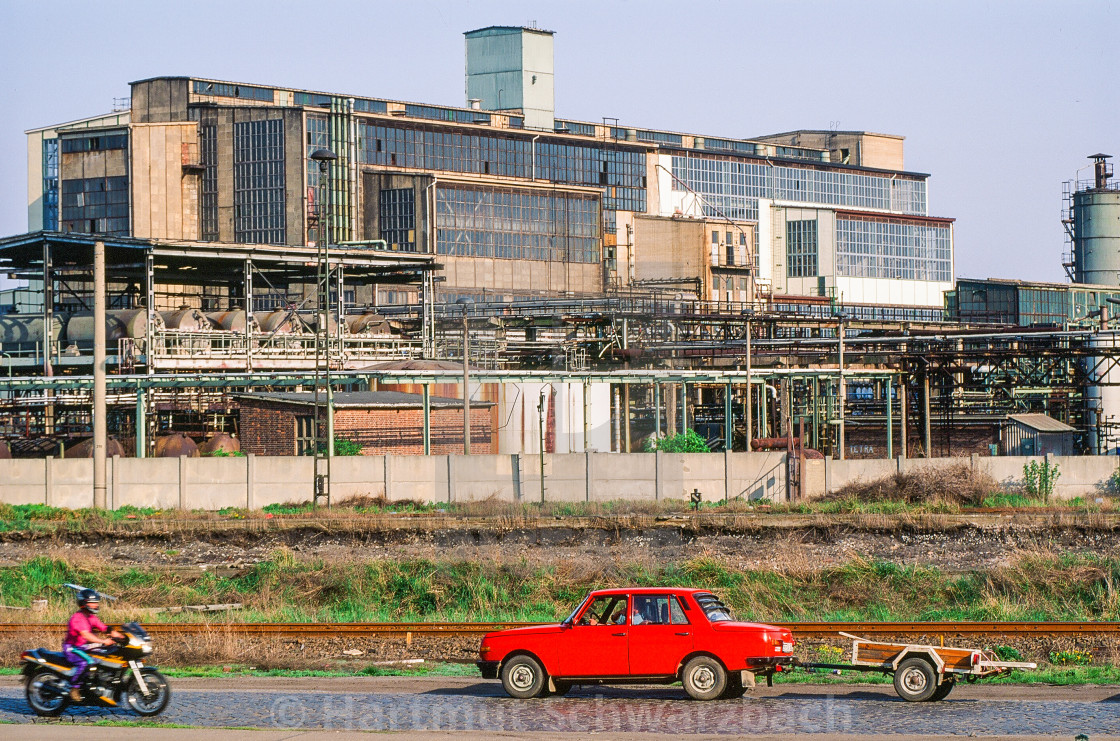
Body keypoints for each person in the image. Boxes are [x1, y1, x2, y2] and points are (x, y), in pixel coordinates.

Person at [62, 589, 119, 702]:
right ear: (84, 603)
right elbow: (86, 635)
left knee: (104, 655)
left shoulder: (91, 617)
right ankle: (74, 688)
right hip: (73, 648)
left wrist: (122, 637)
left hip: (84, 647)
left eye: (96, 602)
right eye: (92, 602)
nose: (96, 605)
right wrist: (103, 642)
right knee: (87, 662)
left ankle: (96, 683)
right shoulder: (77, 618)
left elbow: (104, 628)